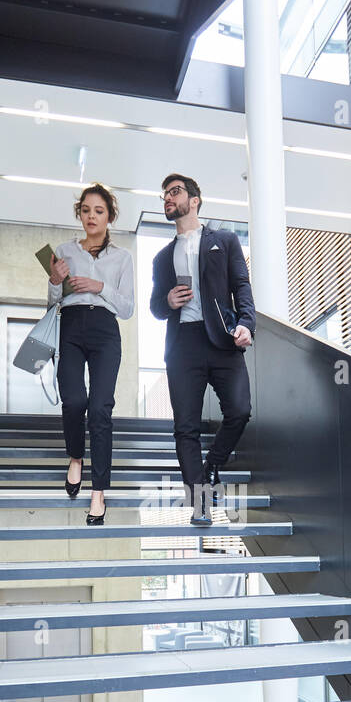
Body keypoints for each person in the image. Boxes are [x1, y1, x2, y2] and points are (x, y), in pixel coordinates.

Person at [150, 173, 255, 525]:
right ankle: (199, 502)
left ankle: (213, 465)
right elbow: (154, 307)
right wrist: (167, 300)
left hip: (222, 339)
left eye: (174, 192)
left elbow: (241, 285)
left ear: (194, 200)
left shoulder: (223, 241)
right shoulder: (163, 257)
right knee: (186, 428)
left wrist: (246, 323)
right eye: (164, 194)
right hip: (183, 346)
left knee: (239, 411)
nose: (168, 197)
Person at [47, 184, 134, 525]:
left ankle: (98, 491)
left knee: (100, 408)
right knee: (73, 399)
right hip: (70, 324)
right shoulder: (64, 250)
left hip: (105, 329)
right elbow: (53, 301)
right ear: (79, 213)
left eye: (98, 211)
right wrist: (56, 280)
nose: (91, 217)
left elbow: (127, 308)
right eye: (86, 210)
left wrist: (100, 286)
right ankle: (75, 457)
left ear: (109, 216)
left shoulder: (122, 258)